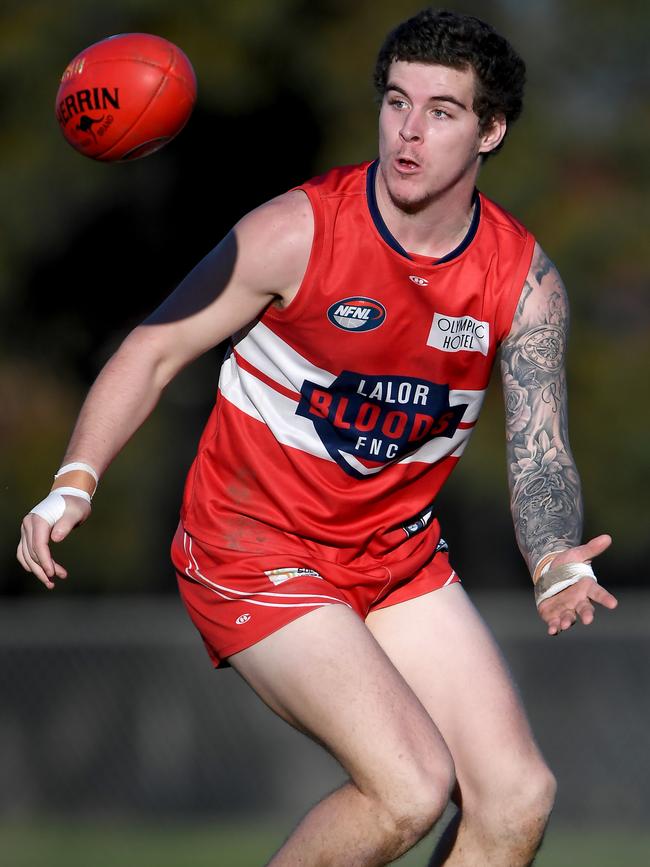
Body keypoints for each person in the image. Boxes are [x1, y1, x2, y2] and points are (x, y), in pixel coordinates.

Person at [18, 8, 618, 866]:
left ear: (490, 130)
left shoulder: (522, 284)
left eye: (441, 112)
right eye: (396, 103)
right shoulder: (298, 231)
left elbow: (540, 450)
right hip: (250, 544)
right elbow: (153, 350)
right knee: (409, 785)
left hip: (392, 553)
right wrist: (74, 479)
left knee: (518, 798)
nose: (408, 133)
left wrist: (558, 556)